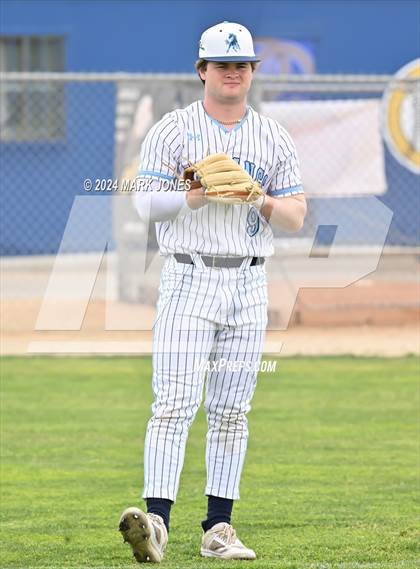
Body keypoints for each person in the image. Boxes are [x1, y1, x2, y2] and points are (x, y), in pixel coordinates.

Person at [118, 21, 307, 563]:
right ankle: (155, 523)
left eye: (241, 64)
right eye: (222, 64)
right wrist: (191, 196)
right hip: (188, 275)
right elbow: (143, 204)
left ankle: (218, 529)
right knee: (174, 402)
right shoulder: (173, 129)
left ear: (251, 72)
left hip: (249, 279)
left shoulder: (272, 137)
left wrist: (259, 198)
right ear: (202, 70)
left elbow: (295, 215)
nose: (232, 72)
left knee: (231, 410)